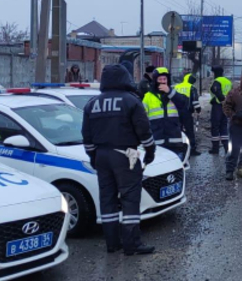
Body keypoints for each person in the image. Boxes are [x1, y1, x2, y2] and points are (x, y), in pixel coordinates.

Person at [82, 64, 158, 256]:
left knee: (107, 199)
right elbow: (144, 130)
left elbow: (87, 135)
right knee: (130, 198)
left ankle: (112, 243)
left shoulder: (92, 103)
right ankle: (132, 244)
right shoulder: (131, 101)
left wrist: (93, 156)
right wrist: (150, 151)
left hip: (101, 155)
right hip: (125, 154)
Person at [142, 67, 189, 161]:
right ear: (155, 81)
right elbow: (142, 119)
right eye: (160, 79)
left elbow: (184, 104)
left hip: (174, 141)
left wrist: (169, 92)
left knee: (176, 168)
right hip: (157, 142)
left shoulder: (174, 93)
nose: (163, 81)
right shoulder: (148, 97)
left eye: (165, 79)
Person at [173, 71, 201, 156]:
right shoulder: (192, 88)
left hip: (176, 112)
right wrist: (198, 109)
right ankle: (192, 149)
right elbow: (195, 101)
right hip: (186, 112)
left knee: (178, 130)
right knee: (189, 130)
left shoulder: (176, 86)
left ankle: (179, 148)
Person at [208, 65, 232, 155]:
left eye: (213, 73)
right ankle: (226, 148)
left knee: (215, 126)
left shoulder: (217, 81)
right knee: (223, 126)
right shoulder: (228, 81)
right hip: (226, 106)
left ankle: (215, 149)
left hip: (218, 105)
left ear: (216, 73)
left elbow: (216, 91)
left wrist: (222, 100)